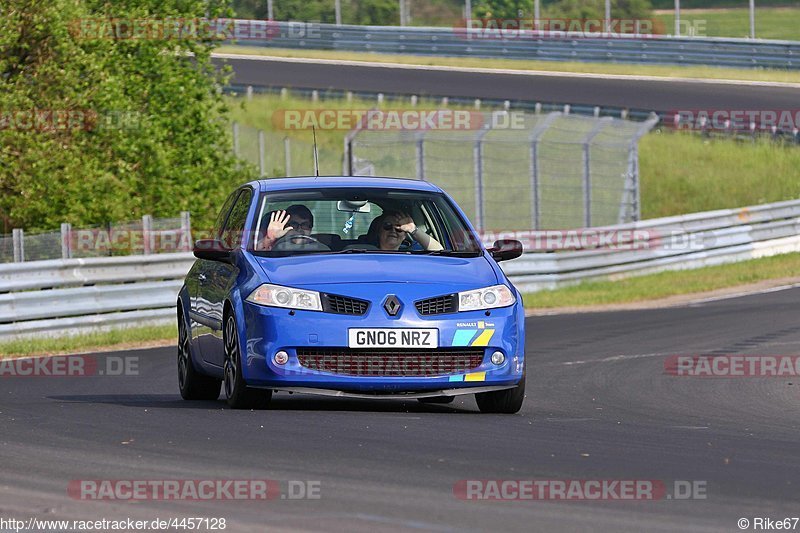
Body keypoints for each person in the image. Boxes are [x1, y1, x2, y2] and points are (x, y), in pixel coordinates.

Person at [369, 210, 444, 251]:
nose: (393, 230)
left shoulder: (411, 256)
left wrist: (413, 229)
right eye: (387, 226)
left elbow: (439, 250)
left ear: (404, 236)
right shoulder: (366, 254)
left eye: (399, 228)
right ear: (379, 231)